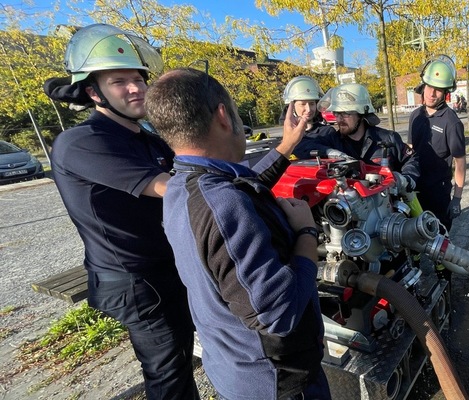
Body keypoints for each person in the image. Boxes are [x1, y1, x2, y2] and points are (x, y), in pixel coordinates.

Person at [145, 68, 331, 400]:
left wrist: (286, 145)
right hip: (279, 384)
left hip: (236, 369)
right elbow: (279, 314)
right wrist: (306, 233)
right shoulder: (223, 204)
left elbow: (237, 185)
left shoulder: (181, 186)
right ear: (223, 116)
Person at [43, 24, 199, 399]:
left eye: (139, 78)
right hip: (136, 280)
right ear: (93, 91)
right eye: (120, 81)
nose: (136, 88)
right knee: (169, 375)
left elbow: (192, 169)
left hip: (165, 267)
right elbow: (170, 186)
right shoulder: (83, 142)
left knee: (181, 355)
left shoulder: (142, 135)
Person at [294, 83, 420, 189]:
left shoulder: (388, 138)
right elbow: (299, 146)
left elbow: (411, 159)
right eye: (337, 113)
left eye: (346, 114)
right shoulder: (333, 141)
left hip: (388, 208)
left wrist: (407, 179)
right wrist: (330, 151)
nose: (339, 119)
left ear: (361, 114)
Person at [407, 55, 467, 280]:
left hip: (438, 192)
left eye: (438, 90)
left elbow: (460, 162)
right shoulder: (415, 116)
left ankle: (444, 279)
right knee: (411, 235)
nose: (432, 93)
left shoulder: (451, 122)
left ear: (446, 93)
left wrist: (457, 199)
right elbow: (411, 149)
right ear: (423, 86)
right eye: (429, 87)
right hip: (413, 189)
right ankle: (413, 272)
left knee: (438, 239)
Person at [280, 75, 336, 148]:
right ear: (292, 107)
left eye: (312, 104)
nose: (309, 109)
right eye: (303, 104)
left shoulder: (327, 132)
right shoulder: (288, 134)